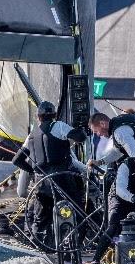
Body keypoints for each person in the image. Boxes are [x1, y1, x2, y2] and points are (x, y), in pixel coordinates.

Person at [12, 100, 87, 246]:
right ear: (54, 115)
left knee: (40, 221)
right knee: (78, 216)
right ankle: (73, 249)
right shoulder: (59, 126)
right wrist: (82, 131)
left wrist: (34, 172)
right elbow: (80, 138)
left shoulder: (31, 135)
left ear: (38, 117)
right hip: (63, 181)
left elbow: (17, 160)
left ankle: (37, 248)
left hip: (41, 184)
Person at [90, 150, 135, 264]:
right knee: (113, 226)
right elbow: (120, 189)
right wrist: (132, 198)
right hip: (119, 197)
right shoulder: (125, 166)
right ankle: (96, 259)